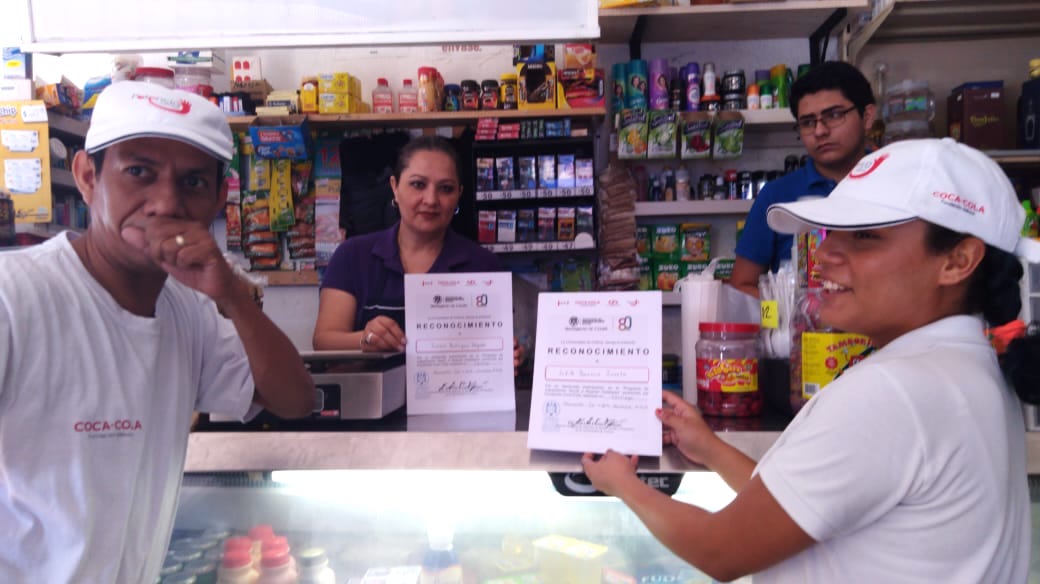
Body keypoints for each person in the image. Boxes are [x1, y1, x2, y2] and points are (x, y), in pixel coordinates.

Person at [582, 138, 1038, 582]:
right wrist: (710, 448)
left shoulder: (892, 392)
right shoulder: (969, 367)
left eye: (865, 236)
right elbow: (798, 506)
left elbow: (720, 550)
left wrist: (622, 484)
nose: (823, 255)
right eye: (831, 233)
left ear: (958, 261)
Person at [0, 81, 314, 582]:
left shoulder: (188, 311)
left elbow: (295, 400)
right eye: (139, 172)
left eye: (193, 182)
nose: (166, 203)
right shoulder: (14, 296)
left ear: (218, 198)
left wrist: (233, 295)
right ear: (87, 177)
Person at [314, 136, 502, 353]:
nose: (431, 200)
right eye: (418, 184)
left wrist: (509, 354)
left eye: (446, 188)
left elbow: (496, 343)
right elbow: (324, 341)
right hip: (370, 378)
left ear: (458, 195)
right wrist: (365, 339)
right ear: (395, 187)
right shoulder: (352, 255)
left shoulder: (484, 265)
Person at [731, 61, 877, 297]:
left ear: (867, 116)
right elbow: (742, 285)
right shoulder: (776, 196)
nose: (820, 131)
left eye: (834, 115)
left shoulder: (898, 186)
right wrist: (788, 312)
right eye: (808, 122)